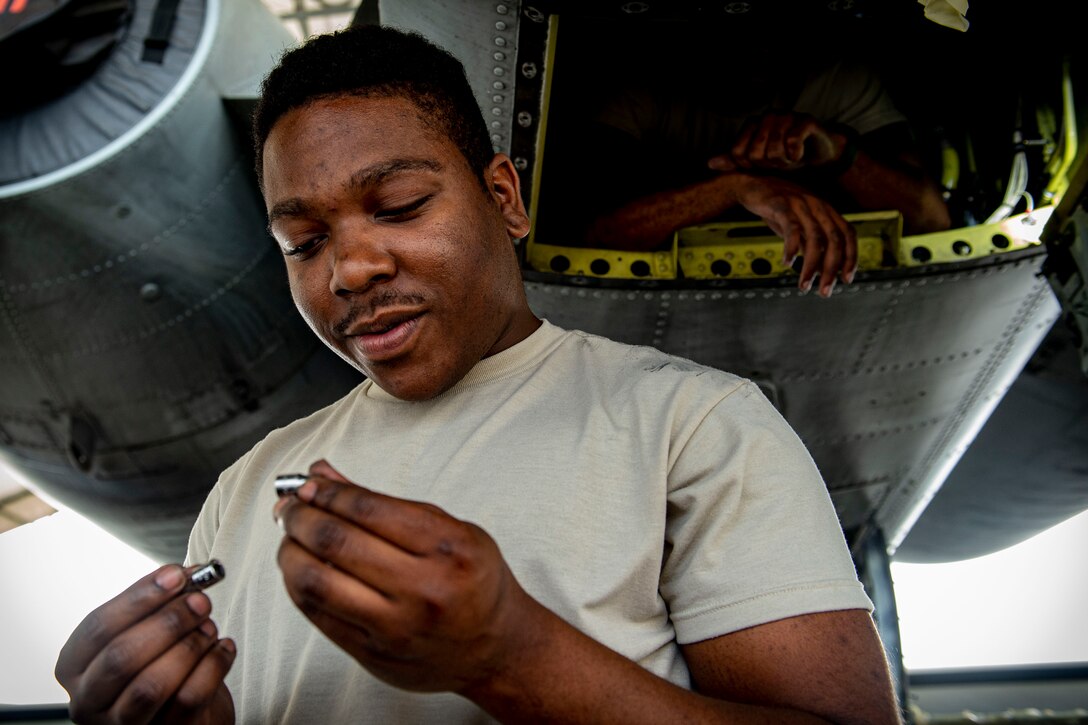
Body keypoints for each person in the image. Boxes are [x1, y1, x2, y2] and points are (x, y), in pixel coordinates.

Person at [54, 23, 902, 724]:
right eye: (304, 243)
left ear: (504, 197)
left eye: (399, 207)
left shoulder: (693, 424)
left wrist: (513, 655)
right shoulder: (241, 493)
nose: (349, 269)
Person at [564, 36, 952, 298]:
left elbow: (931, 219)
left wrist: (839, 152)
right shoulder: (638, 89)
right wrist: (737, 188)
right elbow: (597, 235)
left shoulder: (839, 77)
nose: (748, 56)